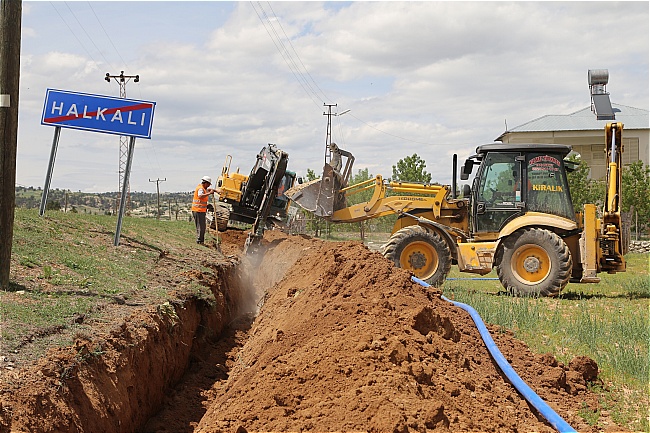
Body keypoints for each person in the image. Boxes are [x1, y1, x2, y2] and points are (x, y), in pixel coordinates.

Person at [191, 175, 221, 244]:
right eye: (208, 184)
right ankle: (199, 241)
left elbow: (210, 190)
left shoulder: (204, 189)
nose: (208, 186)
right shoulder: (201, 189)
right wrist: (209, 193)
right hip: (198, 210)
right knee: (201, 227)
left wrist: (216, 191)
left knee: (202, 227)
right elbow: (200, 196)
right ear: (205, 183)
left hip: (201, 210)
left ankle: (201, 240)